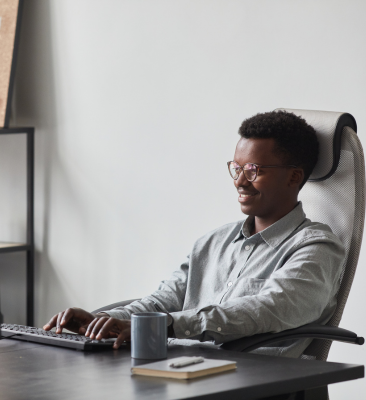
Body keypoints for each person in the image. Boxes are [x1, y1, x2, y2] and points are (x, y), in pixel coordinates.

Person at [43, 110, 345, 358]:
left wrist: (165, 326)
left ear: (294, 176)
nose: (240, 181)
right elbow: (163, 301)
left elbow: (266, 309)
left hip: (247, 378)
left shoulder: (317, 246)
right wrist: (105, 321)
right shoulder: (213, 242)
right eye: (236, 168)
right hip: (177, 367)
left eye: (253, 170)